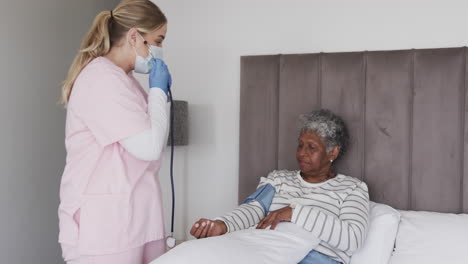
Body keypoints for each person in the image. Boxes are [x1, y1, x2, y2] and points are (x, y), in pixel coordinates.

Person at [58, 0, 172, 263]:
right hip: (107, 226)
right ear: (134, 37)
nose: (161, 49)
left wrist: (157, 94)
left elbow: (151, 138)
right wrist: (157, 91)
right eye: (158, 40)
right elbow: (150, 146)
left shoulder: (124, 80)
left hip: (136, 218)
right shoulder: (101, 80)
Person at [190, 109, 370, 264]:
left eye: (311, 148)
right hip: (266, 252)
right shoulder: (278, 179)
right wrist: (222, 224)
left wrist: (294, 212)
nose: (301, 153)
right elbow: (253, 209)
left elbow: (352, 239)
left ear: (333, 151)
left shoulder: (352, 188)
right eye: (300, 145)